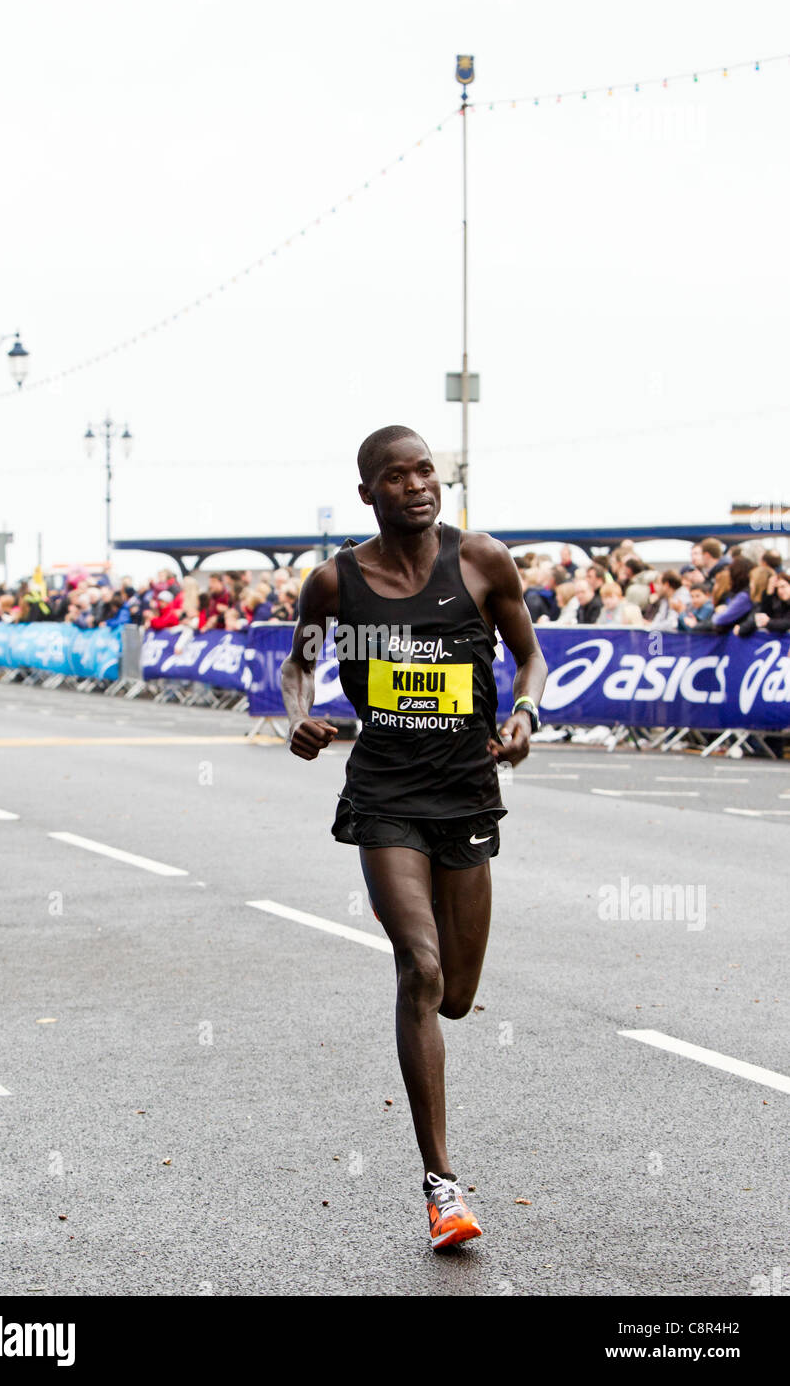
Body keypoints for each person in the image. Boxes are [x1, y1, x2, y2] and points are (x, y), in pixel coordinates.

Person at [281, 425, 546, 1251]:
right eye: (395, 476)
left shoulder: (480, 562)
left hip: (466, 791)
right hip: (385, 794)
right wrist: (298, 717)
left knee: (458, 994)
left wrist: (525, 712)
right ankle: (441, 1185)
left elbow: (530, 657)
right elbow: (299, 664)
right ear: (369, 494)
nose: (415, 484)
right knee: (419, 968)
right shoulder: (334, 583)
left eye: (425, 469)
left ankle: (440, 1158)